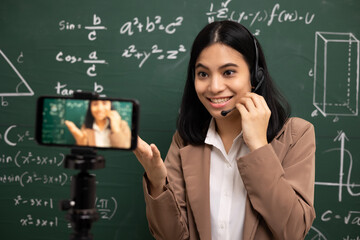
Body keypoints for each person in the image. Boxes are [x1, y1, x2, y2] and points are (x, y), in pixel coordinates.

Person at [133, 20, 315, 240]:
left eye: (228, 72)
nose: (214, 87)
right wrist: (157, 181)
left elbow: (293, 231)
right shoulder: (185, 141)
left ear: (255, 76)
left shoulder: (296, 135)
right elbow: (172, 236)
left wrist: (258, 146)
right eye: (203, 74)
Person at [65, 100, 131, 148]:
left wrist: (116, 129)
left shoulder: (122, 125)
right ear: (90, 108)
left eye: (104, 103)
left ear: (110, 105)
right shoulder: (86, 128)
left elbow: (126, 149)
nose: (100, 109)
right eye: (95, 104)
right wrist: (80, 143)